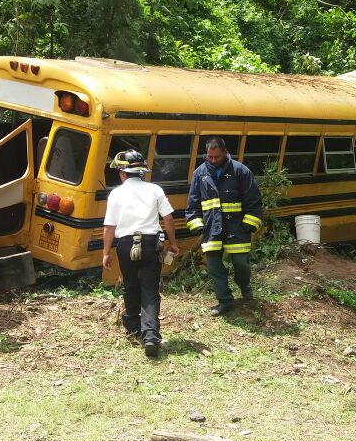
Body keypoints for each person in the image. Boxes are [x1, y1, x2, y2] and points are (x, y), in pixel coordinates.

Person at [102, 150, 180, 358]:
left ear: (122, 173)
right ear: (142, 172)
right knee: (150, 290)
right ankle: (151, 337)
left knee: (130, 286)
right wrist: (173, 243)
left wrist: (106, 253)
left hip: (125, 244)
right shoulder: (155, 190)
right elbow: (168, 219)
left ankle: (134, 328)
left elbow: (109, 227)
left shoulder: (115, 194)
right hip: (150, 244)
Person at [185, 136, 264, 316]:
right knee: (214, 268)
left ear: (226, 153)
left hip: (237, 228)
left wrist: (248, 226)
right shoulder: (199, 174)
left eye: (217, 157)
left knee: (241, 264)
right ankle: (225, 301)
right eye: (210, 157)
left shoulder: (241, 171)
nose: (213, 160)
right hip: (211, 230)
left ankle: (244, 285)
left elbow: (254, 203)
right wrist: (198, 226)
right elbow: (192, 205)